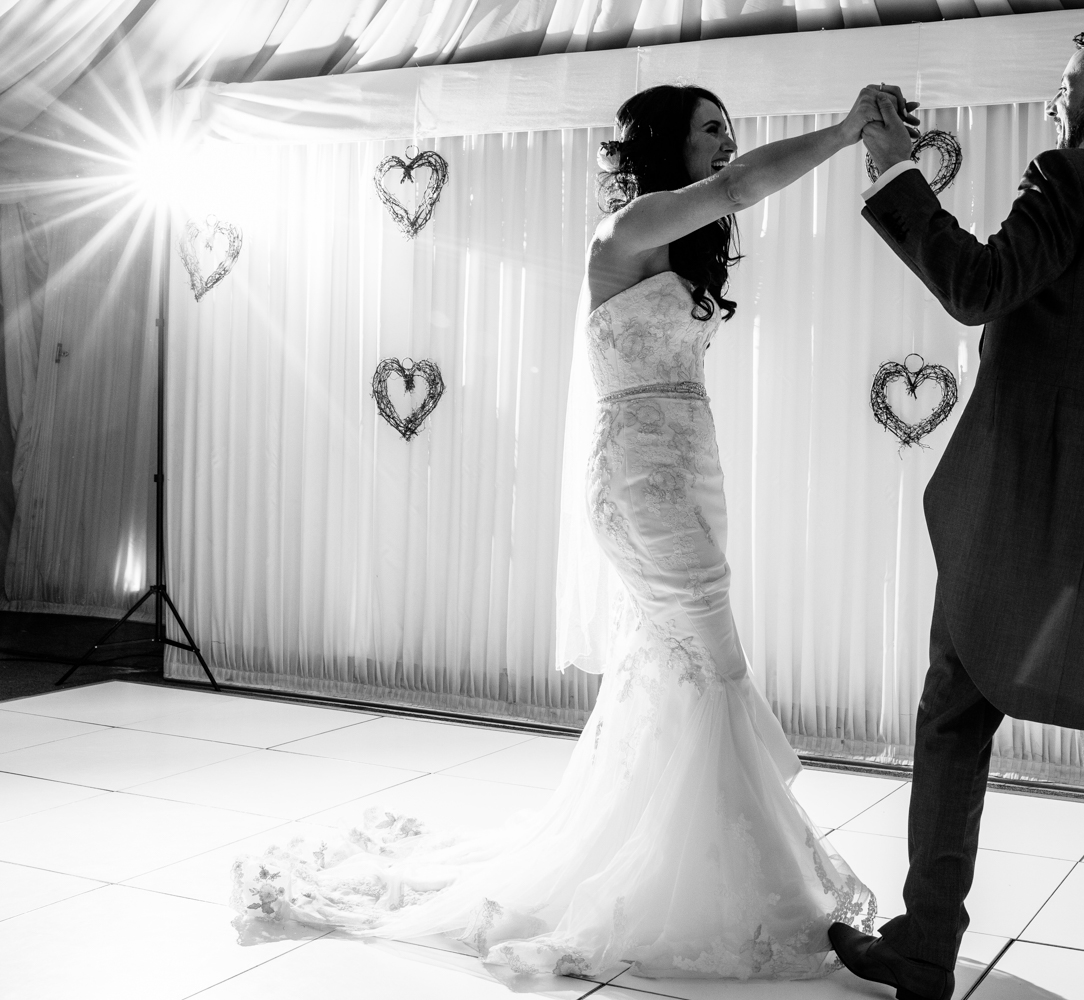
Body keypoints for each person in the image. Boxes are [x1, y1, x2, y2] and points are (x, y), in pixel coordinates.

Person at [231, 83, 917, 982]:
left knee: (678, 672)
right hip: (640, 482)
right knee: (715, 666)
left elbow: (727, 208)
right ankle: (749, 886)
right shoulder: (625, 231)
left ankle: (700, 868)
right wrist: (840, 133)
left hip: (689, 470)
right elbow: (741, 189)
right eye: (711, 128)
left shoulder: (677, 240)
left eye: (727, 128)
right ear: (667, 142)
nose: (725, 140)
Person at [828, 28, 1084, 1000]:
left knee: (956, 715)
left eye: (1067, 84)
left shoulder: (1067, 180)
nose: (1058, 101)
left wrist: (893, 173)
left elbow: (977, 287)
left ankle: (928, 944)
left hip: (1020, 509)